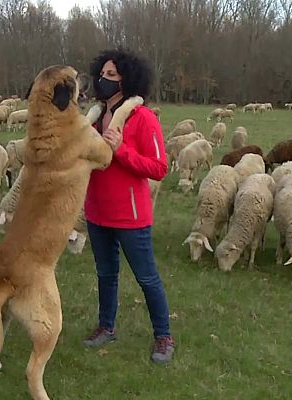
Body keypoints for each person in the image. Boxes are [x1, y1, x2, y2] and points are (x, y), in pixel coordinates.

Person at [82, 48, 175, 364]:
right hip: (97, 213)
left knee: (147, 278)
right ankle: (106, 326)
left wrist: (121, 151)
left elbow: (159, 167)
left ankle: (163, 336)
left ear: (127, 80)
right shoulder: (93, 119)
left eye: (112, 75)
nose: (103, 80)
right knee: (106, 274)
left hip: (131, 218)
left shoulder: (143, 118)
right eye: (102, 74)